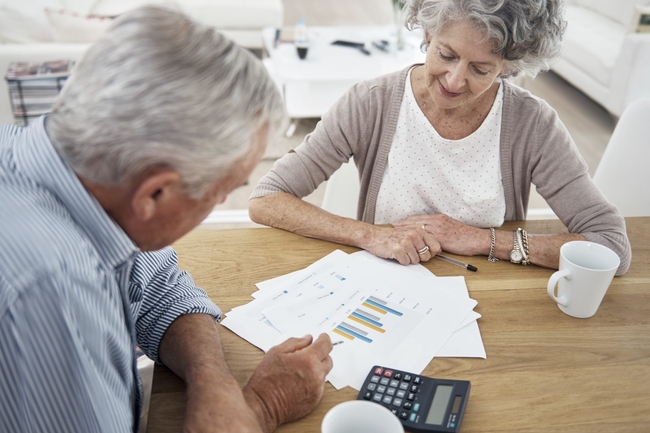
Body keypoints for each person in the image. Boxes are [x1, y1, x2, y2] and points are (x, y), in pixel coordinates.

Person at [0, 6, 333, 433]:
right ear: (154, 193)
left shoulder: (68, 160)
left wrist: (214, 385)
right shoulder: (50, 294)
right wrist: (263, 407)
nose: (221, 201)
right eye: (221, 191)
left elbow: (156, 280)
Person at [249, 0, 631, 275]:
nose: (453, 81)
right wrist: (369, 236)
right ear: (428, 33)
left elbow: (610, 243)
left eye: (481, 69)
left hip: (493, 294)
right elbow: (266, 199)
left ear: (509, 66)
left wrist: (484, 241)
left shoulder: (532, 124)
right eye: (446, 54)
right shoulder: (370, 102)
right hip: (382, 284)